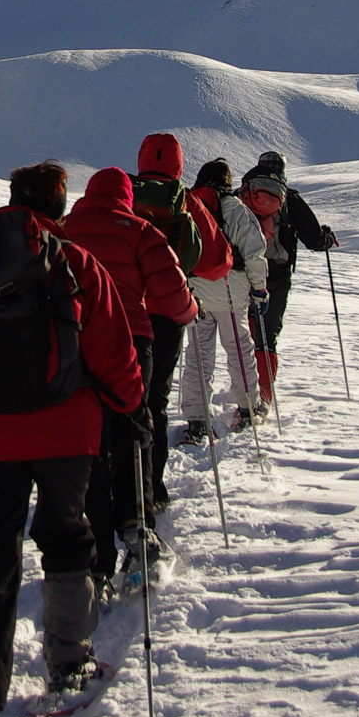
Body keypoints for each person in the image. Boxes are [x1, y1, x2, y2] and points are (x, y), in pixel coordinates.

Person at [0, 161, 145, 717]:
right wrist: (128, 404)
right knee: (67, 540)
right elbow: (113, 353)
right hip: (68, 432)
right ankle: (69, 665)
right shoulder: (76, 264)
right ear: (60, 207)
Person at [62, 167, 197, 594]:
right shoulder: (140, 230)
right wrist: (191, 313)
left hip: (75, 341)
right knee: (133, 431)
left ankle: (94, 553)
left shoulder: (64, 229)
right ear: (127, 197)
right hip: (130, 339)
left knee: (89, 442)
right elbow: (174, 294)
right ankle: (138, 529)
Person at [127, 133, 201, 511]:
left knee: (121, 399)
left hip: (124, 312)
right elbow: (215, 258)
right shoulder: (184, 200)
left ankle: (118, 485)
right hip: (168, 312)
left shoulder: (127, 192)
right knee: (156, 400)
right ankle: (152, 488)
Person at [239, 151, 338, 411]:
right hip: (277, 276)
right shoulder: (288, 199)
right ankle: (264, 395)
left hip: (244, 272)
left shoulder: (243, 194)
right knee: (267, 334)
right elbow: (314, 239)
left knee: (244, 332)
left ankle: (244, 391)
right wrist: (326, 237)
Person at [179, 158, 270, 435]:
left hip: (197, 293)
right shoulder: (236, 209)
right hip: (233, 293)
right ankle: (248, 408)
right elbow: (254, 251)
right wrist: (259, 288)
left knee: (198, 355)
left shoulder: (190, 206)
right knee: (240, 351)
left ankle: (196, 418)